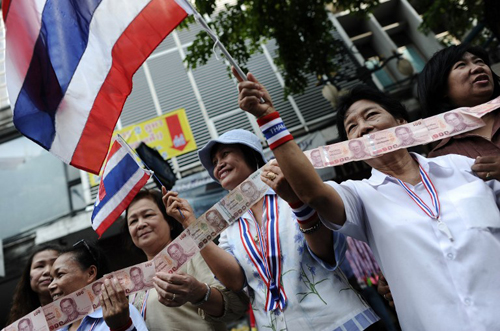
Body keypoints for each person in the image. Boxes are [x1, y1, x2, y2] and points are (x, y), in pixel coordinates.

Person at [235, 73, 500, 330]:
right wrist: (268, 118)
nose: (364, 127)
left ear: (401, 122)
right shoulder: (358, 195)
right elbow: (312, 193)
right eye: (352, 127)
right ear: (350, 148)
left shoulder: (463, 167)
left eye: (371, 115)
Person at [164, 129, 380, 330]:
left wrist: (297, 202)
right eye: (214, 162)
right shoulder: (230, 227)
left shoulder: (293, 190)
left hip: (338, 321)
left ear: (251, 155)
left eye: (225, 154)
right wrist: (192, 226)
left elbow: (326, 251)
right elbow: (235, 281)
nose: (218, 165)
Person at [124, 189, 248, 331]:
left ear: (169, 222)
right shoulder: (135, 283)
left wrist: (199, 293)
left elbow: (236, 307)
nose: (141, 224)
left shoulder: (195, 255)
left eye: (148, 215)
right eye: (133, 221)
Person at [418, 44, 500, 180]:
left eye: (479, 61)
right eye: (461, 65)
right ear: (442, 89)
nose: (478, 67)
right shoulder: (441, 158)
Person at [48, 240, 147, 331]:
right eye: (51, 279)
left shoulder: (123, 313)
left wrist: (123, 327)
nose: (50, 286)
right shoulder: (58, 328)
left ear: (90, 273)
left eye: (60, 274)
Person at [8, 244, 62, 324]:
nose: (47, 271)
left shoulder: (86, 311)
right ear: (28, 276)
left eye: (54, 264)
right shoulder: (22, 325)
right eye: (39, 266)